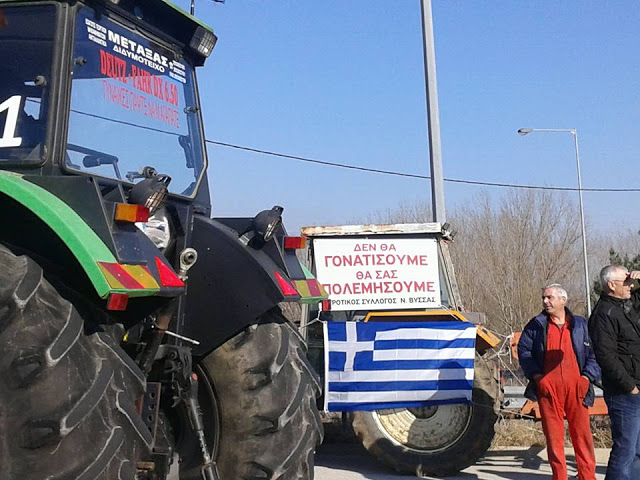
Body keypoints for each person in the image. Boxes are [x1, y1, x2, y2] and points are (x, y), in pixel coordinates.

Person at [518, 283, 600, 480]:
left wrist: (587, 377)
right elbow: (524, 351)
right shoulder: (536, 325)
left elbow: (595, 354)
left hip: (577, 387)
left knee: (582, 436)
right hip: (548, 388)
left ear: (563, 300)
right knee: (554, 438)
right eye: (544, 298)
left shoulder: (580, 324)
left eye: (550, 298)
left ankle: (587, 476)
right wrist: (537, 377)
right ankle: (559, 476)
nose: (545, 302)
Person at [589, 266, 640, 480]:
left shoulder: (624, 306)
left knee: (637, 451)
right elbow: (606, 357)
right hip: (624, 393)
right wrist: (630, 386)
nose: (630, 286)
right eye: (625, 282)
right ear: (611, 285)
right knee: (625, 450)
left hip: (635, 388)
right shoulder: (604, 314)